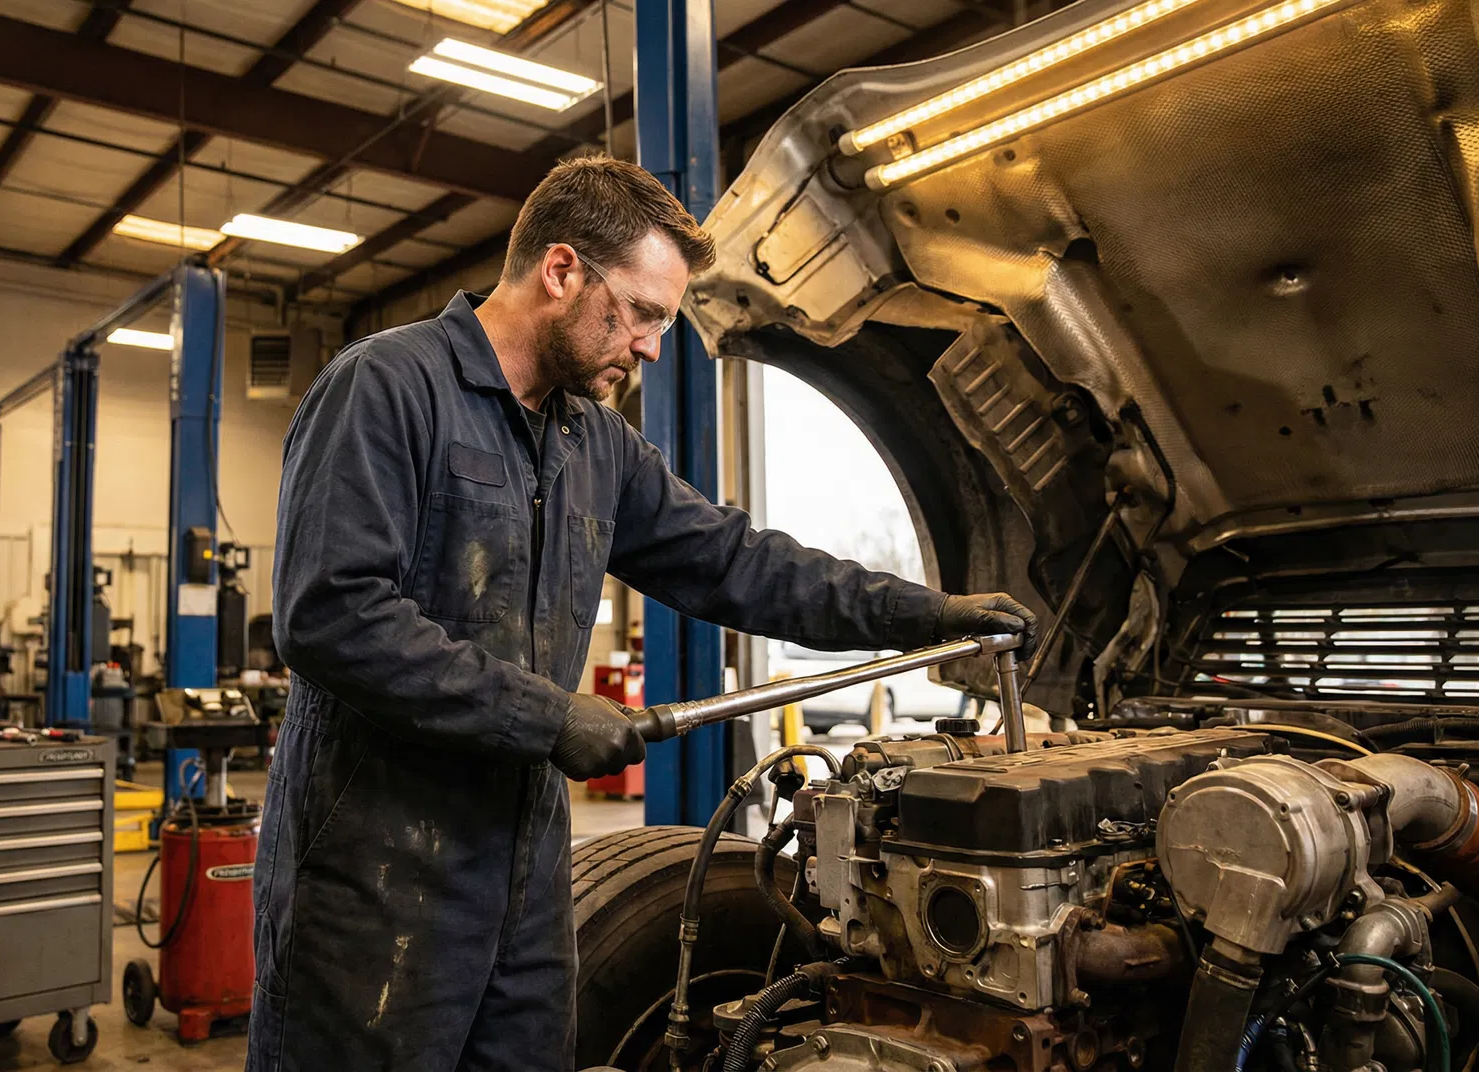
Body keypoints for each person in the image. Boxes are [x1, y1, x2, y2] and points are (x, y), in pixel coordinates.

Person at [249, 156, 1037, 1072]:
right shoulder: (387, 387)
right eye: (647, 312)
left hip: (525, 877)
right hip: (375, 881)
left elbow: (737, 563)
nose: (656, 346)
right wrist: (546, 714)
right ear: (561, 271)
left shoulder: (594, 443)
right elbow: (332, 615)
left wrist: (925, 612)